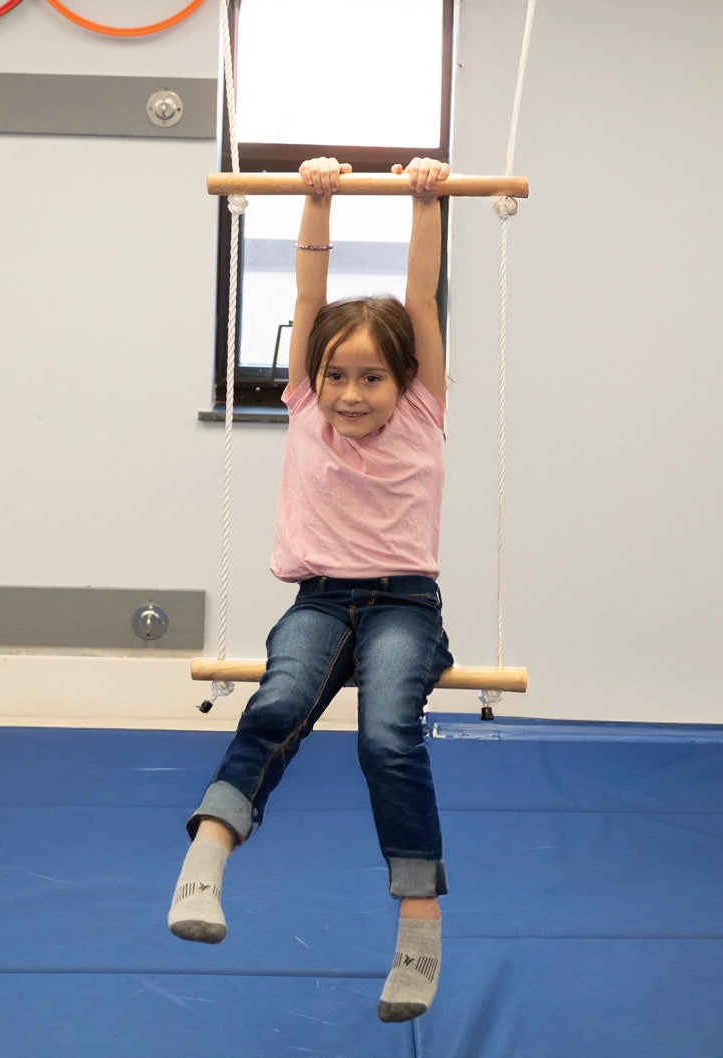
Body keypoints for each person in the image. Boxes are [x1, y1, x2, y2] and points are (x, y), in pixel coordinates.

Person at [169, 156, 453, 1024]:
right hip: (321, 601)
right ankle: (205, 861)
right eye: (335, 375)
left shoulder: (424, 411)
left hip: (403, 603)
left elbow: (421, 294)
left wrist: (426, 200)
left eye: (371, 377)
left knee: (387, 737)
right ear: (312, 377)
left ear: (405, 381)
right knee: (277, 704)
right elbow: (307, 294)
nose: (349, 394)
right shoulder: (302, 407)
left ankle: (419, 925)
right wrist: (314, 200)